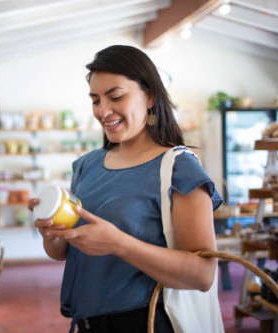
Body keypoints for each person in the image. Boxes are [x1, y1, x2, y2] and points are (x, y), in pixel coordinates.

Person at [28, 45, 223, 333]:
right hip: (86, 322)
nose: (103, 111)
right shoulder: (87, 165)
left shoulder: (179, 169)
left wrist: (119, 244)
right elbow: (65, 252)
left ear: (150, 96)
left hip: (146, 322)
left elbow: (202, 274)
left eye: (116, 96)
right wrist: (51, 234)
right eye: (95, 100)